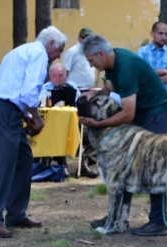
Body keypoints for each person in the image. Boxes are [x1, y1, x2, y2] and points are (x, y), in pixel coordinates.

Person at [79, 34, 167, 237]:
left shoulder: (126, 68)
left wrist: (97, 124)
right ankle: (117, 217)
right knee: (124, 166)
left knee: (153, 164)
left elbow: (128, 113)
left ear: (101, 54)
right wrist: (94, 95)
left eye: (91, 60)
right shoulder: (112, 64)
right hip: (142, 113)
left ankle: (159, 221)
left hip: (156, 113)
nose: (91, 65)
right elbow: (108, 89)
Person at [0, 26, 67, 238]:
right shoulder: (38, 55)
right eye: (59, 50)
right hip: (4, 110)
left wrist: (28, 117)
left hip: (5, 108)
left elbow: (17, 92)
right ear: (50, 45)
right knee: (6, 163)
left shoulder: (25, 50)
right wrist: (36, 118)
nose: (59, 56)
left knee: (23, 158)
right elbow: (29, 94)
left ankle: (16, 213)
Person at [38, 63, 88, 177]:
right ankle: (61, 164)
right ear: (50, 76)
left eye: (61, 75)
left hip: (72, 124)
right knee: (54, 134)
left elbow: (79, 107)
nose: (58, 79)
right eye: (54, 76)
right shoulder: (44, 88)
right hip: (50, 125)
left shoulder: (72, 88)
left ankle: (83, 163)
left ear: (66, 76)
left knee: (90, 133)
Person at [62, 27, 99, 177]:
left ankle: (85, 162)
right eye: (85, 38)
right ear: (79, 38)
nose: (87, 41)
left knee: (91, 128)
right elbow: (65, 73)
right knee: (74, 129)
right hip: (75, 93)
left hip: (89, 94)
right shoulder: (72, 52)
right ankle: (64, 164)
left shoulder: (94, 52)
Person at [137, 21, 167, 132]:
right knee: (146, 140)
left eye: (166, 34)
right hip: (148, 104)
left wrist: (151, 78)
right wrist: (163, 71)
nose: (164, 37)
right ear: (152, 33)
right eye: (160, 33)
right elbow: (140, 75)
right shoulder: (142, 52)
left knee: (165, 141)